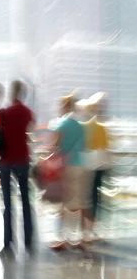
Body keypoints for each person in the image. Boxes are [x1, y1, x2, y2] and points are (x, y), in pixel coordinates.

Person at [0, 81, 34, 252]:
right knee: (25, 200)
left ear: (12, 93)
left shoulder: (2, 114)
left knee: (8, 203)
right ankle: (28, 240)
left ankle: (8, 242)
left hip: (6, 161)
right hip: (23, 160)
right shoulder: (27, 112)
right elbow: (26, 132)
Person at [50, 93, 89, 251]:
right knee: (78, 203)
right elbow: (84, 146)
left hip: (65, 166)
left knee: (62, 204)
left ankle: (62, 239)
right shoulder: (80, 125)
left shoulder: (62, 124)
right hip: (80, 165)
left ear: (65, 106)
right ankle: (80, 238)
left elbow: (55, 147)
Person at [82, 92, 111, 241]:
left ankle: (88, 230)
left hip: (88, 165)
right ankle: (91, 230)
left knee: (89, 198)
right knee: (96, 199)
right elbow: (105, 145)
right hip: (99, 165)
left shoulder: (87, 125)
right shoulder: (100, 126)